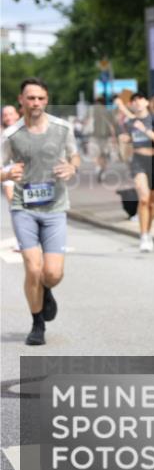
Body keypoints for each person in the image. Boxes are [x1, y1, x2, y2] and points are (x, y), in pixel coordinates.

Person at [0, 78, 80, 345]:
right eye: (31, 98)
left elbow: (74, 155)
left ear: (47, 100)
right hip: (24, 207)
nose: (36, 103)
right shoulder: (10, 134)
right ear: (21, 100)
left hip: (55, 207)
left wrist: (72, 168)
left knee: (53, 274)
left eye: (41, 98)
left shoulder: (62, 128)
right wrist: (7, 173)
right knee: (33, 269)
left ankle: (46, 290)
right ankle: (37, 325)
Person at [117, 91, 154, 252]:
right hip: (138, 160)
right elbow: (127, 142)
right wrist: (125, 141)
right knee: (144, 198)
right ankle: (143, 235)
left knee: (152, 203)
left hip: (153, 161)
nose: (137, 103)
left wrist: (145, 130)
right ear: (131, 104)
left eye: (140, 99)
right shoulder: (129, 122)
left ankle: (148, 231)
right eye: (134, 101)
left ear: (146, 102)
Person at [3, 104, 23, 251]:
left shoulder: (25, 129)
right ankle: (20, 240)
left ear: (17, 114)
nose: (8, 117)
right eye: (5, 115)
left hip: (25, 172)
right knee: (14, 206)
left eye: (11, 114)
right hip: (8, 172)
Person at [88, 96, 118, 182]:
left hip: (94, 136)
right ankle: (103, 171)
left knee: (95, 154)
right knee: (104, 155)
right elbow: (112, 126)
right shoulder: (108, 112)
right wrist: (114, 137)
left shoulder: (92, 111)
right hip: (106, 137)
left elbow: (86, 121)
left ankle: (98, 167)